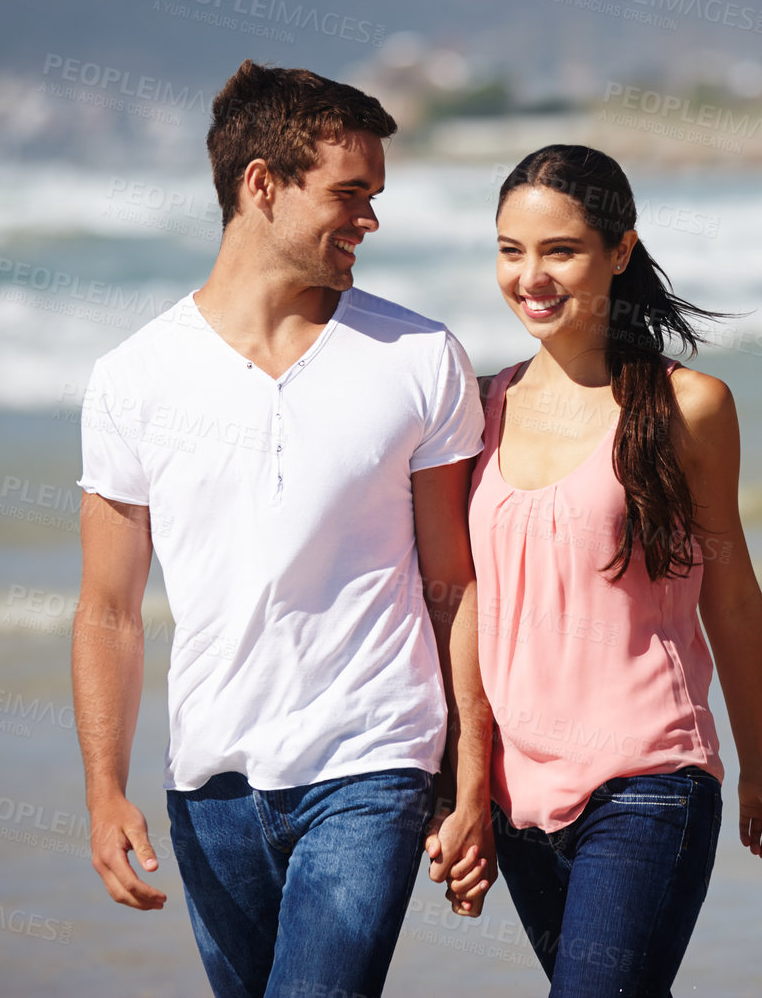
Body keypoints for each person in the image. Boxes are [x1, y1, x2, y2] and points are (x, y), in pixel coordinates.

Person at [72, 61, 496, 998]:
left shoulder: (421, 357)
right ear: (260, 185)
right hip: (211, 784)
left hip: (372, 762)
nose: (371, 220)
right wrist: (105, 790)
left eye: (376, 196)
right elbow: (108, 609)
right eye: (350, 194)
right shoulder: (133, 378)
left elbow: (452, 586)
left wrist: (471, 780)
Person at [457, 144, 762, 994]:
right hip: (516, 795)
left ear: (621, 250)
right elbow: (458, 603)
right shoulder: (477, 406)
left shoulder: (689, 407)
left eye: (559, 250)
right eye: (510, 250)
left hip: (648, 778)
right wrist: (460, 790)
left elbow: (732, 593)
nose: (530, 276)